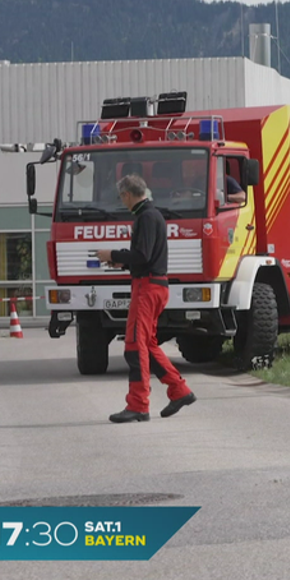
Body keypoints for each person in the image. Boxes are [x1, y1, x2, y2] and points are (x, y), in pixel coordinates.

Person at [96, 174, 195, 423]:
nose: (123, 202)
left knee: (134, 345)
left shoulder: (146, 217)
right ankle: (179, 390)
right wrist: (120, 261)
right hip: (153, 285)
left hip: (147, 287)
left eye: (122, 197)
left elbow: (142, 255)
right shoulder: (151, 215)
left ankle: (139, 405)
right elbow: (145, 256)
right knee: (148, 344)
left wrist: (113, 253)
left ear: (127, 195)